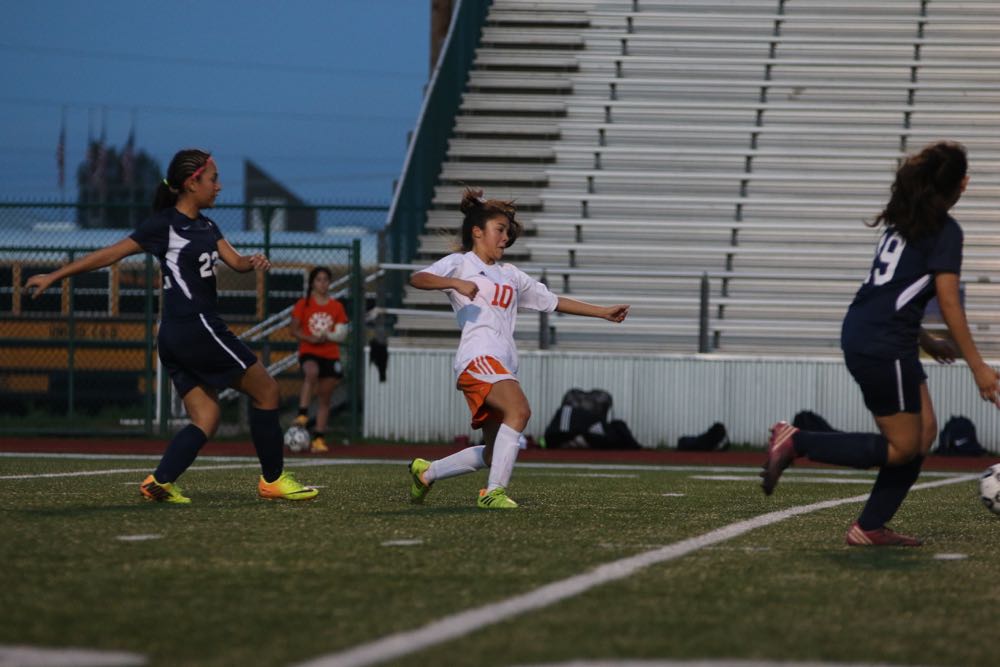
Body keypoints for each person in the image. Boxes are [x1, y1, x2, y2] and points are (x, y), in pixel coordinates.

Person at [24, 148, 318, 504]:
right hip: (197, 326)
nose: (219, 186)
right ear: (192, 183)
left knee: (206, 417)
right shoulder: (165, 224)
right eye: (213, 179)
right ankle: (272, 480)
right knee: (267, 391)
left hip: (176, 335)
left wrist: (250, 261)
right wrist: (55, 275)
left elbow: (234, 261)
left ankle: (159, 481)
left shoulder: (208, 226)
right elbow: (111, 254)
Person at [761, 141, 1000, 545]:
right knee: (903, 446)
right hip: (883, 343)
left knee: (924, 433)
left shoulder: (905, 222)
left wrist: (925, 338)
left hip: (875, 333)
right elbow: (946, 300)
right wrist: (978, 367)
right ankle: (797, 440)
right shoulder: (945, 230)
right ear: (960, 184)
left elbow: (891, 293)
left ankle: (869, 527)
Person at [406, 188, 630, 509]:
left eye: (508, 234)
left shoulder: (511, 275)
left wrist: (603, 312)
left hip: (502, 364)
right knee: (520, 411)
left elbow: (553, 301)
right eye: (499, 231)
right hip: (478, 359)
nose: (505, 239)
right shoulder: (460, 263)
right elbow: (418, 278)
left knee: (493, 450)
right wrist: (454, 283)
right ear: (477, 232)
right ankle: (492, 492)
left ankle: (427, 473)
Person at [288, 266, 349, 453]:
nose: (323, 283)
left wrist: (329, 335)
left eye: (326, 280)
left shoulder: (336, 306)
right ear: (312, 283)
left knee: (325, 398)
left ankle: (319, 439)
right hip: (310, 351)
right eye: (319, 280)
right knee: (311, 372)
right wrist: (310, 338)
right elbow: (294, 329)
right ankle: (303, 414)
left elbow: (341, 332)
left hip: (330, 354)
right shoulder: (303, 304)